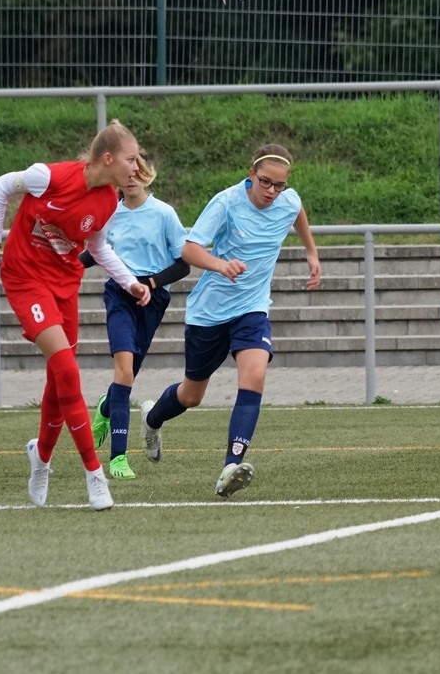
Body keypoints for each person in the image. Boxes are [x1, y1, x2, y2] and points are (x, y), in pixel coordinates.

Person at [0, 120, 152, 511]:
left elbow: (98, 248)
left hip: (64, 285)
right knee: (68, 371)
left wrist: (130, 282)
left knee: (59, 380)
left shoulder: (109, 201)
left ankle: (41, 457)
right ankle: (95, 475)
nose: (137, 167)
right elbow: (2, 185)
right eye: (131, 159)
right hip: (26, 280)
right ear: (107, 158)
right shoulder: (48, 177)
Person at [138, 144, 322, 498]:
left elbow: (297, 211)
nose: (271, 191)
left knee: (255, 375)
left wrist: (311, 253)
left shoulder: (287, 200)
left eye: (279, 185)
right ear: (251, 174)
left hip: (252, 308)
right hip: (209, 313)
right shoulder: (226, 202)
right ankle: (151, 419)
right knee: (192, 395)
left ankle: (230, 466)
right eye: (265, 182)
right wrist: (221, 265)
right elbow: (189, 249)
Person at [81, 157, 190, 480]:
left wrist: (152, 283)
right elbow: (95, 252)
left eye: (138, 174)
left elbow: (183, 264)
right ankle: (118, 458)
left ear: (148, 176)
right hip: (119, 294)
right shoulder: (108, 213)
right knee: (125, 370)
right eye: (125, 175)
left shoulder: (164, 214)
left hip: (152, 300)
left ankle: (105, 407)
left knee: (127, 375)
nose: (131, 180)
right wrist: (63, 263)